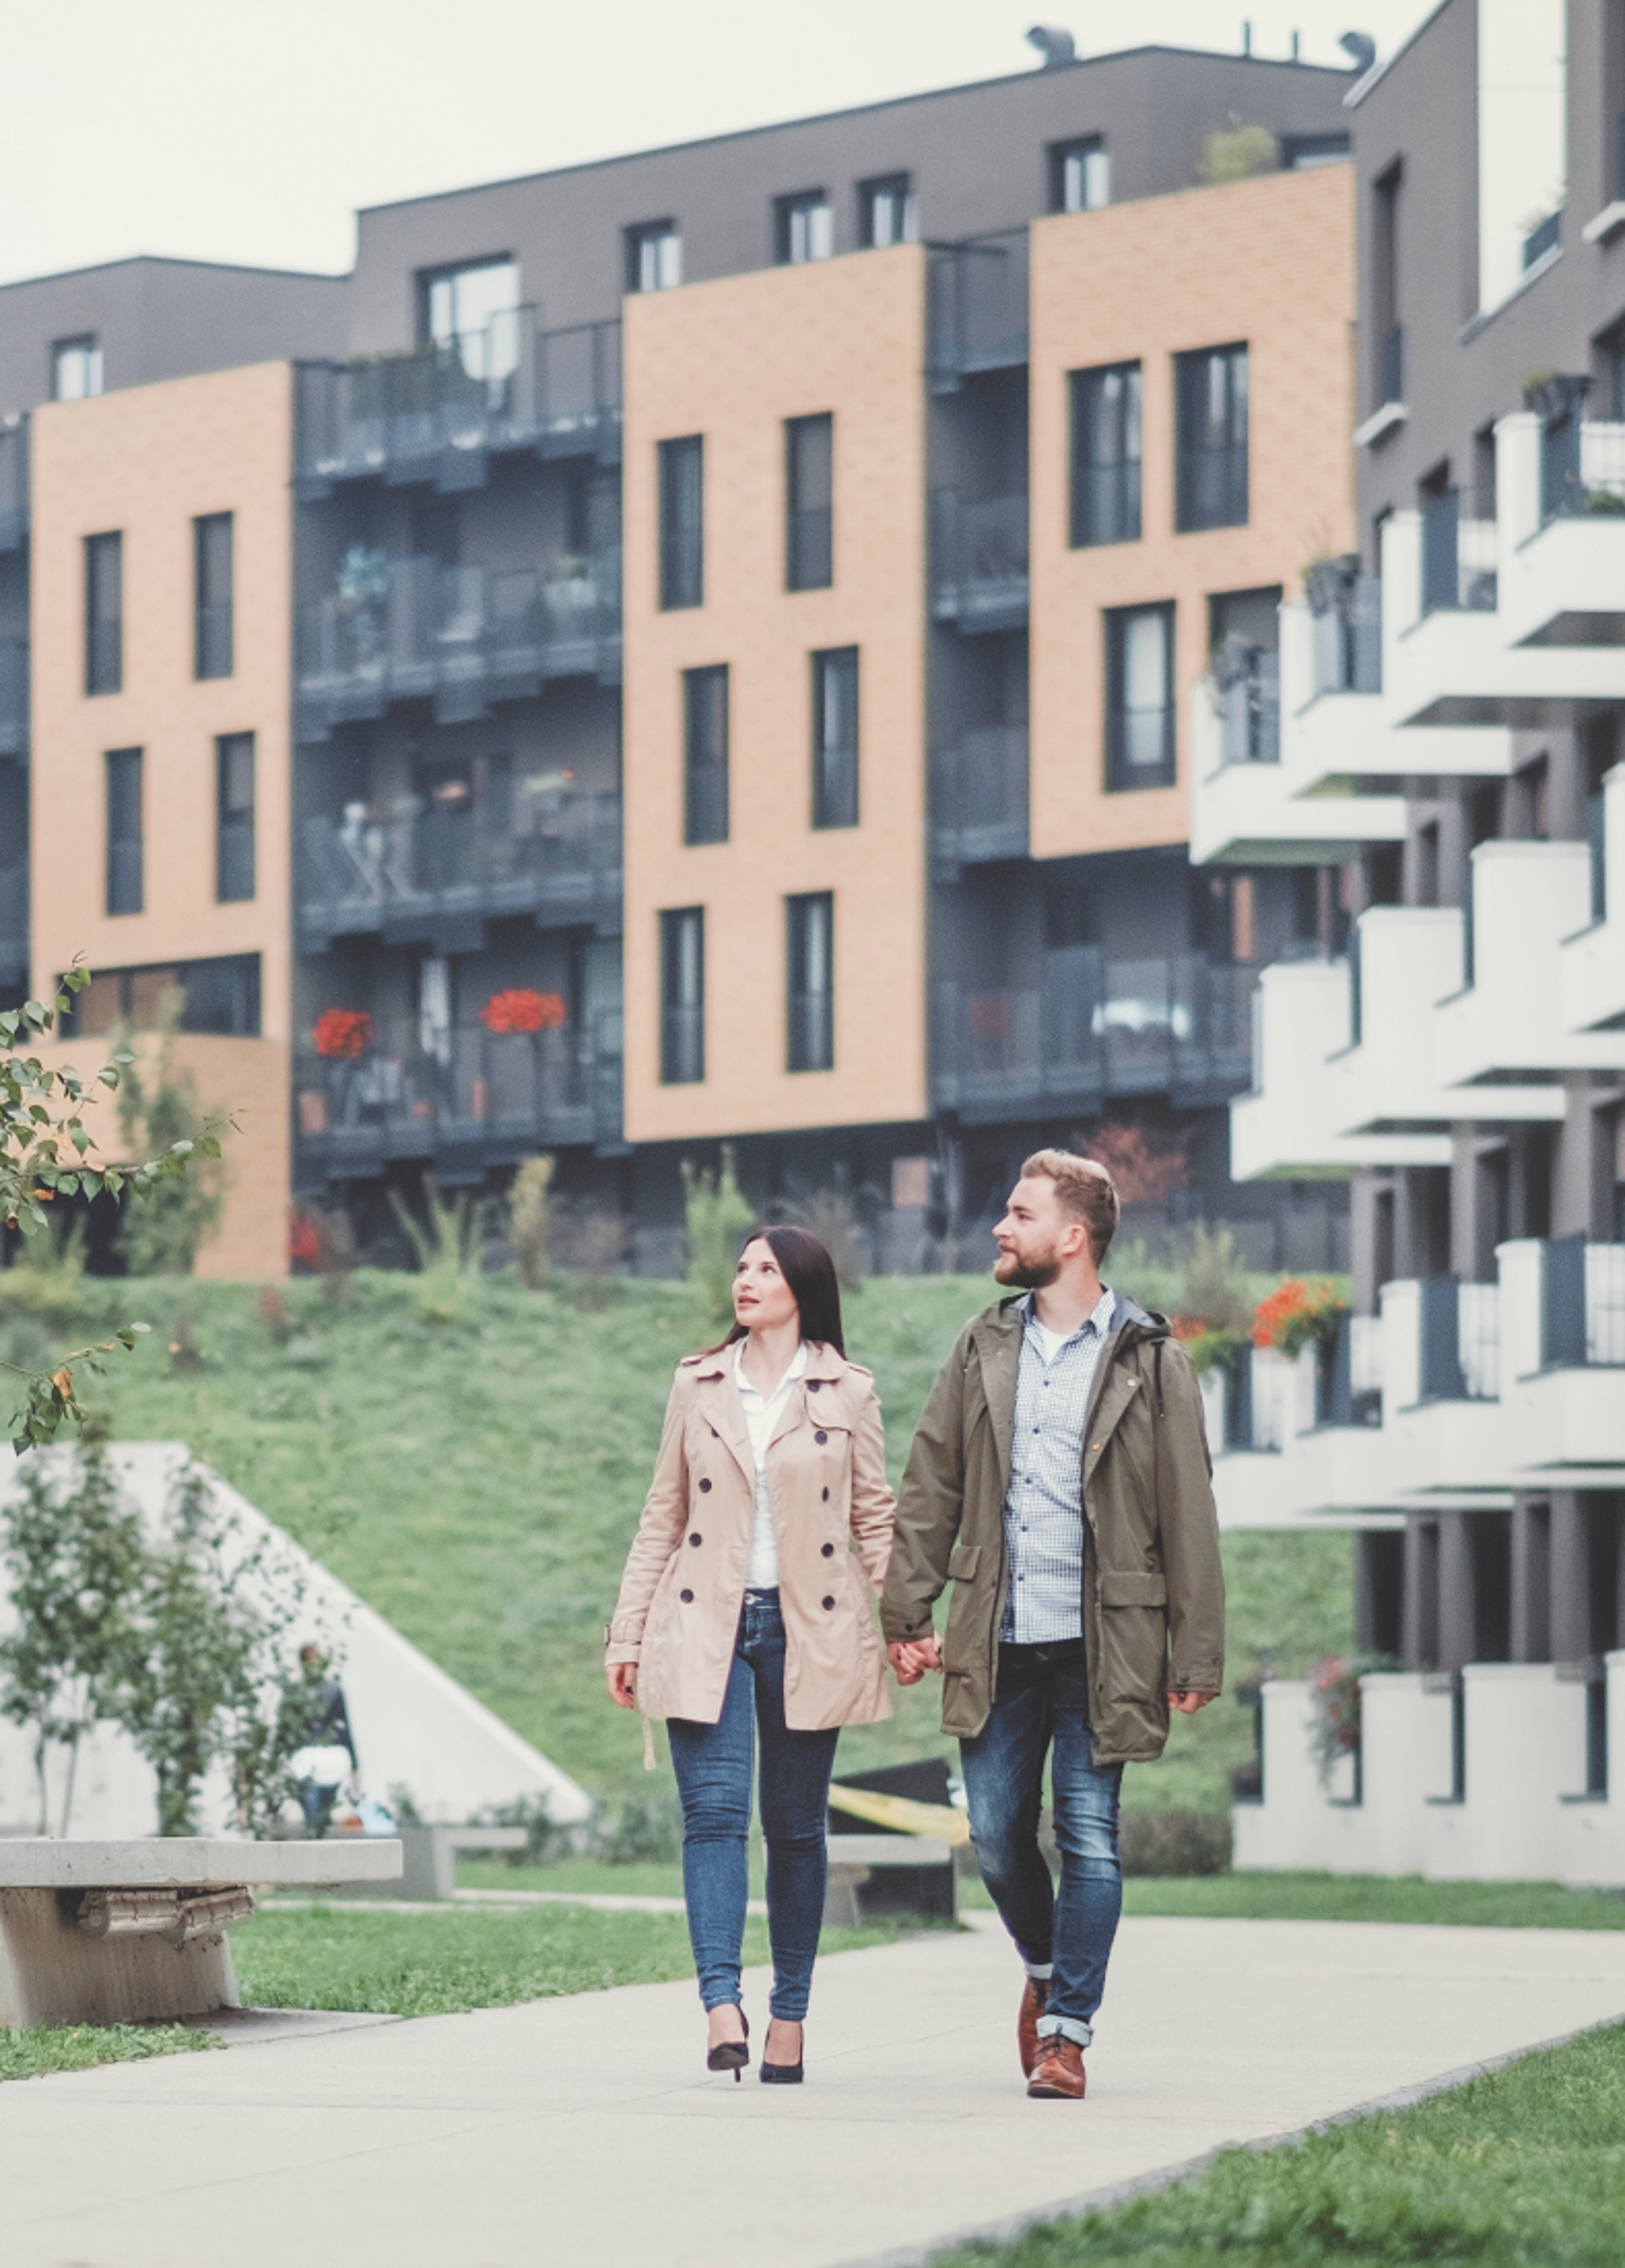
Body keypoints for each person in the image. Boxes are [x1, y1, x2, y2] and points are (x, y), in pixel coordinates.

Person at [882, 1149, 1224, 2101]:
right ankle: (1044, 1967)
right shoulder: (980, 1345)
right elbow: (930, 1485)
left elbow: (1188, 1510)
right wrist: (906, 1610)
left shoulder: (1153, 1360)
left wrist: (1195, 1649)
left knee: (1091, 1837)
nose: (1001, 1225)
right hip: (996, 1631)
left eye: (1019, 1212)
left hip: (1106, 1640)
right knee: (994, 1836)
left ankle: (1068, 2033)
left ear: (1072, 1236)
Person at [606, 1224, 894, 2085]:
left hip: (813, 1627)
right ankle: (721, 2003)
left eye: (765, 1268)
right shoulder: (697, 1385)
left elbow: (875, 1518)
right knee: (715, 1819)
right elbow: (662, 1516)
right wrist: (627, 1632)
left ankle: (791, 2016)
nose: (746, 1279)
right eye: (741, 1267)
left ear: (803, 1284)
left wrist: (913, 1624)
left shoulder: (849, 1391)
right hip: (706, 1626)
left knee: (797, 1831)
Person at [287, 1645, 358, 1836]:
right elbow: (286, 1731)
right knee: (311, 1804)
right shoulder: (295, 1693)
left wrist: (355, 1768)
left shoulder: (333, 1691)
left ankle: (317, 1838)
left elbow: (344, 1730)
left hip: (329, 1759)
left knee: (322, 1809)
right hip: (305, 1760)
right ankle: (315, 1838)